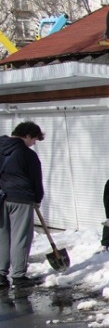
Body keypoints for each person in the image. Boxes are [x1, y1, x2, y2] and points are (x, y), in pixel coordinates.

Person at [0, 121, 45, 288]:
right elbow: (36, 180)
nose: (33, 143)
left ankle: (1, 274)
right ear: (27, 136)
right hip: (21, 199)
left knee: (2, 237)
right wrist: (38, 198)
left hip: (1, 198)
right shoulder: (27, 154)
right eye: (34, 139)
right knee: (20, 237)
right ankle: (19, 276)